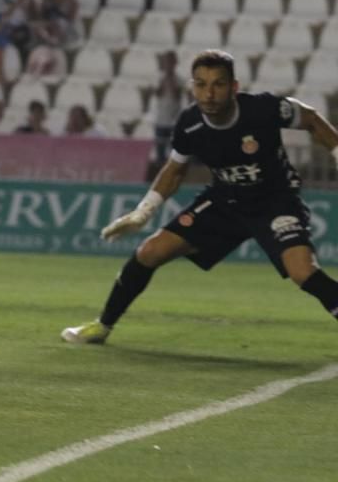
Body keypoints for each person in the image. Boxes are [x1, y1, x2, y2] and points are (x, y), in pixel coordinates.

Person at [63, 50, 338, 345]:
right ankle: (102, 326)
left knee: (302, 271)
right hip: (225, 201)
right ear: (192, 87)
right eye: (201, 84)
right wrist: (143, 212)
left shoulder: (264, 109)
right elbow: (174, 170)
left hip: (275, 200)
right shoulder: (189, 123)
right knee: (149, 252)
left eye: (218, 84)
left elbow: (310, 118)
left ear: (233, 86)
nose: (209, 93)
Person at [148, 50, 182, 179]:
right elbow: (158, 93)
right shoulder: (158, 78)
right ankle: (159, 178)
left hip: (173, 121)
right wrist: (165, 78)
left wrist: (170, 78)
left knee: (174, 153)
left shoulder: (179, 80)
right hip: (160, 120)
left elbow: (176, 95)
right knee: (160, 153)